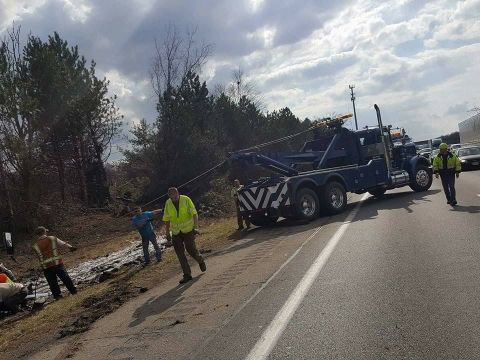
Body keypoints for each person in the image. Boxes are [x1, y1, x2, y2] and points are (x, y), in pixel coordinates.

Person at [163, 187, 206, 284]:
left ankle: (200, 260)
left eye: (175, 195)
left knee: (191, 249)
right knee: (180, 253)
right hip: (176, 232)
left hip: (188, 229)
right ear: (169, 196)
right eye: (171, 196)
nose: (174, 197)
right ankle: (187, 275)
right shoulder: (168, 203)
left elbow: (194, 214)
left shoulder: (186, 199)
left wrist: (196, 227)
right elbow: (166, 219)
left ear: (178, 193)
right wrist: (167, 233)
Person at [33, 226, 77, 300]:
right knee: (65, 278)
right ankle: (73, 291)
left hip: (46, 267)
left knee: (52, 283)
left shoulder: (35, 246)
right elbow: (63, 244)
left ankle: (57, 296)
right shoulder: (52, 238)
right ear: (44, 232)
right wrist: (71, 247)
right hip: (57, 263)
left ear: (37, 235)